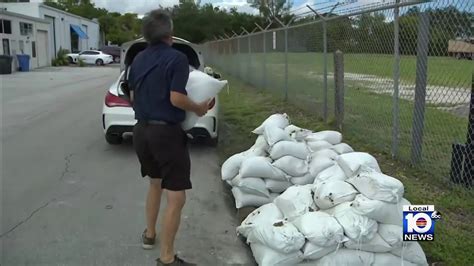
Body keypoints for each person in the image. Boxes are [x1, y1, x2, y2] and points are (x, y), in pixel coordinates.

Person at [128, 9, 210, 266]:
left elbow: (132, 97)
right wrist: (199, 108)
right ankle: (166, 258)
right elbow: (176, 98)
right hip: (166, 134)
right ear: (170, 33)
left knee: (155, 183)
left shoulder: (138, 60)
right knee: (176, 196)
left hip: (141, 131)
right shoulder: (176, 59)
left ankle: (149, 235)